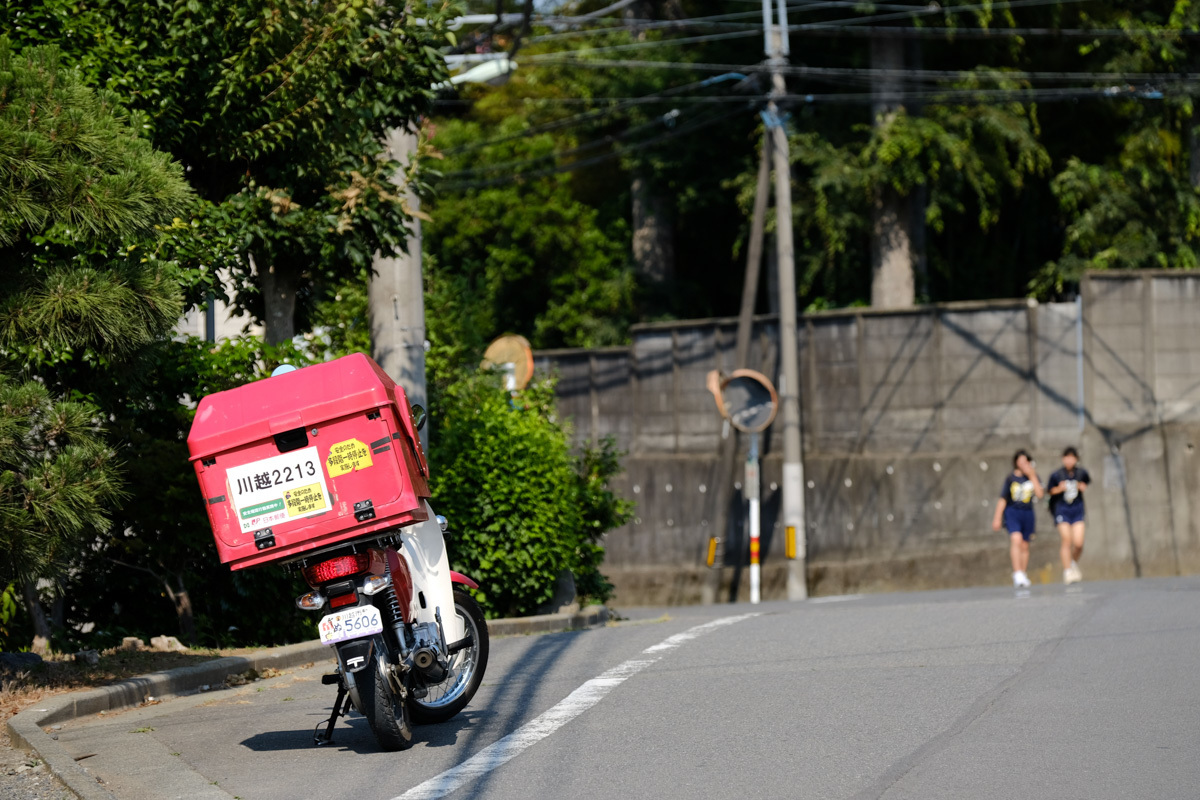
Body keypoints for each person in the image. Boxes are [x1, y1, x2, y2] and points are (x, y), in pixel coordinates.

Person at [992, 449, 1044, 588]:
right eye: (1020, 461)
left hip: (1027, 513)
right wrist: (997, 518)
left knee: (1025, 545)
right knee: (1016, 539)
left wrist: (1032, 476)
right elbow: (1003, 499)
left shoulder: (1033, 476)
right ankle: (1017, 573)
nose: (1022, 464)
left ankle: (1023, 572)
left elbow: (1040, 494)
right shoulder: (1010, 478)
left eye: (1025, 461)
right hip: (1012, 512)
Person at [1047, 446, 1090, 584]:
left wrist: (1082, 486)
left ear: (1076, 459)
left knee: (1078, 543)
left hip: (1077, 510)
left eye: (1072, 457)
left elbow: (1086, 482)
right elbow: (1049, 490)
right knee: (1067, 540)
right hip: (1062, 510)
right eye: (1067, 457)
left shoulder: (1081, 473)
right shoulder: (1057, 475)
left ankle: (1072, 563)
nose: (1069, 460)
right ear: (1063, 459)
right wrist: (1059, 489)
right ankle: (1067, 571)